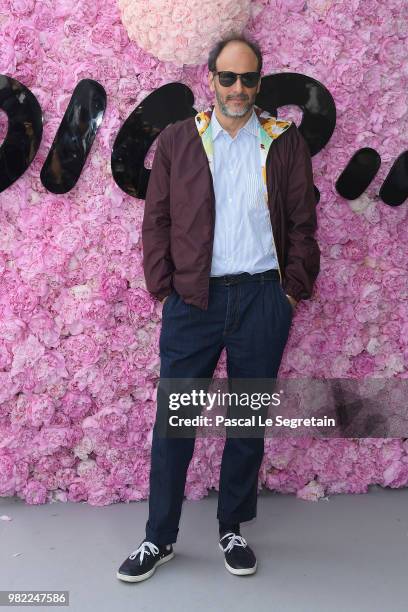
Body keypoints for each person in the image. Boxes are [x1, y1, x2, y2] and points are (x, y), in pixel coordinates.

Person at [117, 32, 320, 583]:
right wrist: (164, 291)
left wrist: (289, 293)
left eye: (247, 78)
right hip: (193, 300)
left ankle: (232, 526)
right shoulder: (182, 138)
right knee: (175, 423)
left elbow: (303, 221)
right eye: (226, 77)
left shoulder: (284, 140)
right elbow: (156, 220)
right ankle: (158, 538)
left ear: (259, 82)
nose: (237, 88)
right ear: (210, 78)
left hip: (262, 297)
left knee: (246, 421)